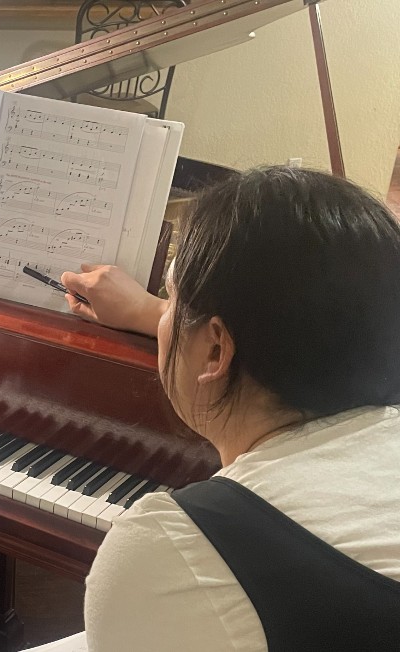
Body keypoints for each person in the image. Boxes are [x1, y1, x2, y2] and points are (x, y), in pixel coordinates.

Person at [61, 166, 400, 650]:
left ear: (217, 350)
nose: (164, 313)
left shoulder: (168, 549)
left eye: (172, 297)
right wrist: (147, 310)